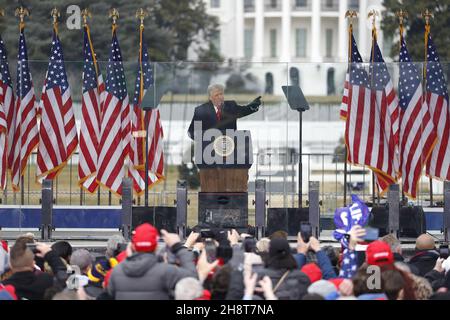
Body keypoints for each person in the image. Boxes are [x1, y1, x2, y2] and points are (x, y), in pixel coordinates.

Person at [107, 223, 197, 300]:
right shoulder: (165, 271)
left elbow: (110, 293)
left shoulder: (116, 271)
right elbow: (193, 280)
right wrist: (178, 247)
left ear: (132, 246)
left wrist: (128, 258)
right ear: (156, 246)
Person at [187, 84, 261, 139]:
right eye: (217, 95)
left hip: (229, 148)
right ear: (210, 97)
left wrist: (253, 105)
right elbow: (192, 132)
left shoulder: (231, 106)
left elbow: (244, 110)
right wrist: (204, 140)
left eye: (221, 94)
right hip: (209, 150)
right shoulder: (201, 110)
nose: (220, 97)